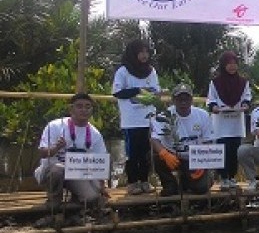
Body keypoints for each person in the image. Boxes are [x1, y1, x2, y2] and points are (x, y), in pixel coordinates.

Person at [35, 93, 109, 213]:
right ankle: (54, 201)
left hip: (77, 174)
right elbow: (42, 153)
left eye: (87, 106)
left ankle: (76, 201)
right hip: (51, 172)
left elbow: (99, 163)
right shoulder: (55, 126)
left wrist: (102, 185)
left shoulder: (95, 134)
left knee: (92, 197)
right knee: (58, 169)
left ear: (92, 110)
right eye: (79, 106)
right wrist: (55, 148)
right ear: (71, 108)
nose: (84, 110)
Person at [112, 39, 160, 195]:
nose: (144, 55)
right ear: (134, 53)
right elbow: (118, 92)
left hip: (148, 119)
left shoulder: (151, 71)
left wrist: (151, 93)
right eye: (141, 52)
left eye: (147, 52)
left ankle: (145, 181)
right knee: (133, 153)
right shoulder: (123, 71)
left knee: (146, 152)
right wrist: (137, 90)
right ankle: (132, 182)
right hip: (131, 120)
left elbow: (155, 90)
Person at [151, 83, 215, 196]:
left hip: (194, 158)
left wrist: (203, 163)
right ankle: (170, 184)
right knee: (154, 156)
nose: (183, 102)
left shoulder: (203, 115)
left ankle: (186, 181)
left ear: (191, 100)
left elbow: (208, 141)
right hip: (172, 157)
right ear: (173, 100)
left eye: (186, 99)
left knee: (202, 188)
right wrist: (164, 154)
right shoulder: (163, 116)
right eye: (179, 99)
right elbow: (154, 140)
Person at [207, 51, 252, 190]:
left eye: (234, 64)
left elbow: (247, 96)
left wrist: (245, 104)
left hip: (235, 123)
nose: (232, 67)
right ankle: (223, 178)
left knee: (234, 150)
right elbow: (211, 99)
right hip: (221, 123)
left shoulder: (243, 82)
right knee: (222, 150)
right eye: (229, 64)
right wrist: (214, 107)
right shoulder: (215, 82)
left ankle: (232, 177)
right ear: (223, 65)